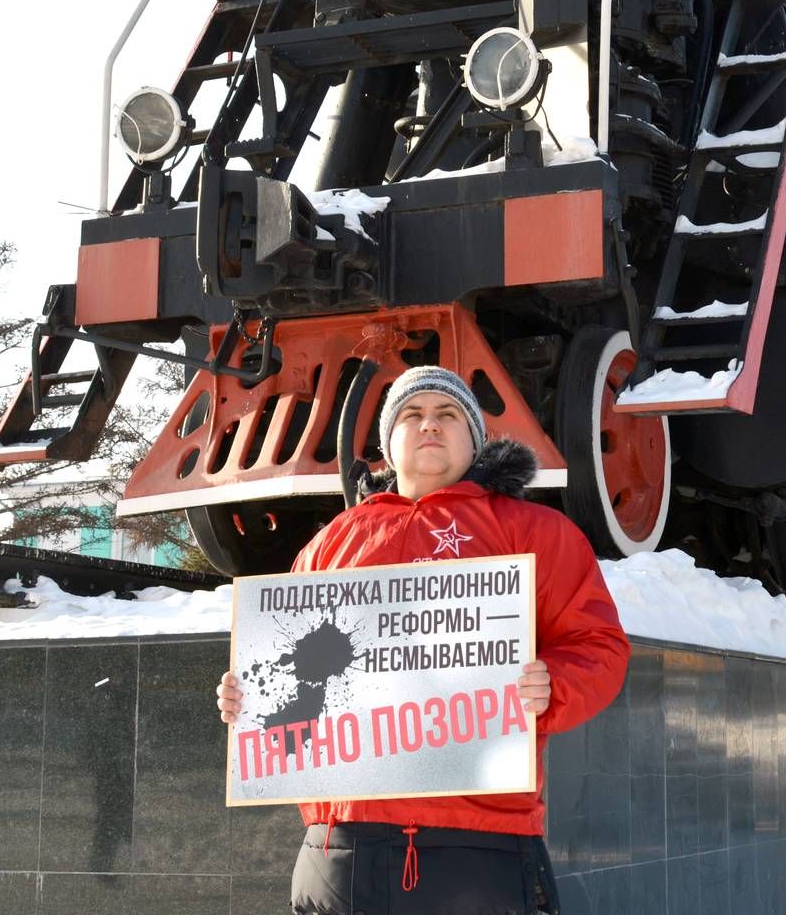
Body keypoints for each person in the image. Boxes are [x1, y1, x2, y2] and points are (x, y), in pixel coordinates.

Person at [216, 365, 630, 915]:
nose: (429, 425)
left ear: (475, 439)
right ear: (389, 442)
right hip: (339, 846)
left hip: (478, 843)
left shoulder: (535, 532)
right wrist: (251, 699)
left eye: (448, 414)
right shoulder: (328, 546)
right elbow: (293, 672)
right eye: (412, 414)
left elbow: (597, 645)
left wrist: (552, 685)